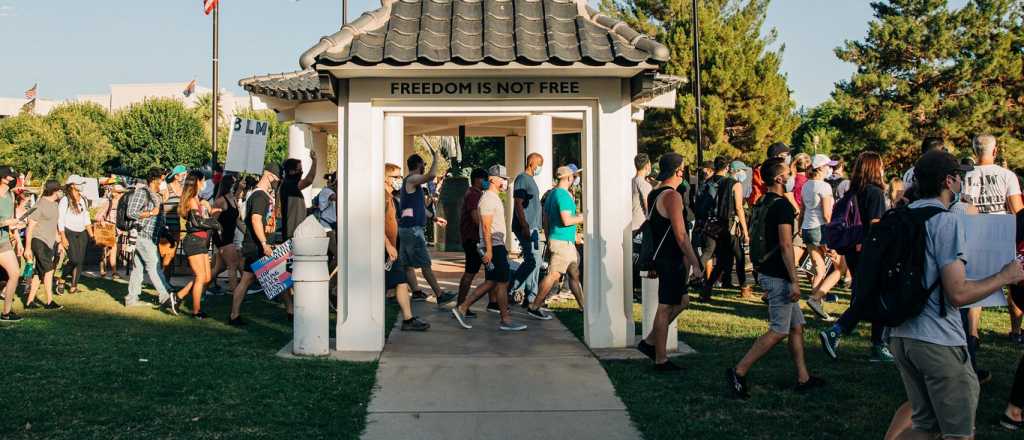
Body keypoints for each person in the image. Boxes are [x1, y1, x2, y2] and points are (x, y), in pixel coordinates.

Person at [885, 150, 1024, 440]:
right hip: (937, 338)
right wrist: (1004, 276)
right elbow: (958, 293)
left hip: (901, 333)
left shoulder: (901, 215)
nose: (962, 183)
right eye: (959, 177)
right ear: (948, 181)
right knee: (959, 434)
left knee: (925, 425)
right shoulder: (945, 221)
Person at [727, 158, 824, 397]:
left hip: (767, 270)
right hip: (779, 275)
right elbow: (786, 244)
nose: (791, 176)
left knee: (796, 327)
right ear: (780, 178)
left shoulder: (762, 201)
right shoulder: (782, 207)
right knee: (779, 330)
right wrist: (794, 280)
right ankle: (739, 371)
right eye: (788, 173)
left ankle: (803, 378)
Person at [818, 152, 895, 362]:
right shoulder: (875, 193)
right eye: (881, 165)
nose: (883, 169)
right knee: (874, 295)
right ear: (875, 168)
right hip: (870, 250)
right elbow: (875, 224)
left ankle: (876, 344)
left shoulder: (854, 190)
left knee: (867, 295)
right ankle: (839, 332)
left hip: (853, 249)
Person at [960, 134, 1022, 381]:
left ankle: (973, 334)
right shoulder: (1007, 175)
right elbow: (1017, 210)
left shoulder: (966, 176)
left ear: (975, 151)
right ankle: (1016, 330)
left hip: (974, 235)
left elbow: (963, 206)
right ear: (994, 151)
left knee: (976, 285)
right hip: (1002, 234)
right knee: (1013, 281)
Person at [635, 153, 704, 371]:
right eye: (684, 168)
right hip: (671, 258)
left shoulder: (654, 193)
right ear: (678, 171)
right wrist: (695, 263)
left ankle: (650, 342)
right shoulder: (672, 196)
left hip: (662, 256)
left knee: (682, 301)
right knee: (665, 307)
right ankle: (660, 358)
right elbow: (681, 235)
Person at [451, 165, 527, 332]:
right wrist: (490, 250)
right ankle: (505, 319)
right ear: (492, 179)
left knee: (492, 282)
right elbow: (485, 226)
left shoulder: (492, 197)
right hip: (494, 246)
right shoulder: (488, 199)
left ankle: (462, 308)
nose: (505, 182)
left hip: (495, 245)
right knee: (502, 282)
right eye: (503, 179)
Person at [527, 165, 586, 318]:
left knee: (574, 273)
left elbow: (545, 220)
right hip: (563, 242)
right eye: (574, 176)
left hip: (558, 240)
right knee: (554, 275)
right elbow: (567, 220)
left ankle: (584, 307)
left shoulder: (552, 194)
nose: (575, 179)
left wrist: (549, 239)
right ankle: (534, 306)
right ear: (568, 178)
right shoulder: (563, 195)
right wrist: (584, 217)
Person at [398, 150, 456, 305]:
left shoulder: (412, 184)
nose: (424, 166)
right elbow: (431, 175)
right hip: (412, 230)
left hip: (407, 229)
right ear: (418, 165)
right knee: (425, 264)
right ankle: (440, 295)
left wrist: (434, 218)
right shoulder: (412, 179)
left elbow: (420, 208)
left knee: (408, 264)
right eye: (423, 164)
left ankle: (417, 292)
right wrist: (435, 159)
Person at [229, 164, 281, 326]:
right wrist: (264, 244)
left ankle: (234, 315)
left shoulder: (263, 195)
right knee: (252, 279)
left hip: (258, 245)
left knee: (274, 278)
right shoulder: (259, 196)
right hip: (257, 246)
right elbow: (255, 219)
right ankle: (234, 315)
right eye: (276, 179)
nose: (276, 182)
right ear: (268, 175)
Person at [384, 163, 430, 331]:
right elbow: (376, 223)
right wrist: (388, 245)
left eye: (400, 176)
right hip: (385, 249)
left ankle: (408, 319)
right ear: (385, 178)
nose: (399, 179)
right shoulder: (382, 196)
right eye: (396, 177)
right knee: (398, 281)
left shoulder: (390, 196)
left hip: (391, 247)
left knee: (401, 281)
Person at [124, 168, 176, 312]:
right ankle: (166, 297)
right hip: (142, 236)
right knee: (154, 266)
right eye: (162, 179)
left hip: (150, 237)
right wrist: (150, 213)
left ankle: (131, 299)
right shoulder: (142, 192)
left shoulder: (156, 196)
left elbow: (158, 219)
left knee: (138, 268)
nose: (163, 183)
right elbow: (131, 212)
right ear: (154, 179)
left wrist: (166, 234)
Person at [699, 156, 748, 301]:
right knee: (739, 255)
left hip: (714, 224)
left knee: (721, 259)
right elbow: (738, 208)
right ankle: (744, 287)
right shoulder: (735, 184)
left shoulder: (713, 183)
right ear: (727, 168)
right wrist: (745, 231)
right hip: (729, 224)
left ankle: (707, 288)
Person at [175, 172, 221, 319]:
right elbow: (197, 222)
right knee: (201, 276)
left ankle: (178, 296)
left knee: (206, 277)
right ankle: (196, 311)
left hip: (200, 240)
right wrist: (214, 223)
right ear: (197, 182)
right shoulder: (192, 200)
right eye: (203, 180)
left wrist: (210, 211)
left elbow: (201, 219)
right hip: (193, 241)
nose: (205, 183)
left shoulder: (197, 199)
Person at [801, 154, 837, 320]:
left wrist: (800, 228)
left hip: (807, 228)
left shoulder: (806, 185)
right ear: (821, 168)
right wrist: (833, 233)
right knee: (837, 267)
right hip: (820, 229)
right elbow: (827, 214)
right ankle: (816, 299)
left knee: (819, 268)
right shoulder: (824, 187)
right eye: (828, 166)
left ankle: (816, 304)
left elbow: (803, 210)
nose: (831, 168)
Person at [510, 153, 545, 308]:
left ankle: (528, 294)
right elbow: (518, 203)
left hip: (533, 228)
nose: (540, 167)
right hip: (527, 228)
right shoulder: (522, 179)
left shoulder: (530, 180)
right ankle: (517, 290)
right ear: (532, 163)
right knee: (532, 261)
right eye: (540, 163)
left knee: (534, 261)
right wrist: (524, 225)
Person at [23, 180, 65, 310]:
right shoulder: (39, 205)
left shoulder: (55, 205)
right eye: (60, 190)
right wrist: (27, 248)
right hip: (38, 241)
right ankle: (49, 302)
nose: (62, 192)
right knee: (49, 270)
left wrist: (59, 242)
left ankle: (29, 302)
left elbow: (54, 225)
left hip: (49, 242)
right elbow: (30, 227)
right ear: (54, 191)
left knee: (39, 273)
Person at [456, 169, 492, 313]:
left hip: (475, 239)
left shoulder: (477, 194)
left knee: (491, 272)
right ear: (477, 179)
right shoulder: (473, 195)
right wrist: (488, 231)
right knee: (470, 272)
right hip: (473, 239)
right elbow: (476, 218)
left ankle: (494, 301)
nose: (487, 182)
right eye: (485, 179)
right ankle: (460, 305)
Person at [58, 176, 93, 294]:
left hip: (82, 232)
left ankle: (74, 286)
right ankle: (62, 279)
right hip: (69, 232)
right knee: (74, 259)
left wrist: (91, 235)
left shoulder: (83, 199)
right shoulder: (65, 200)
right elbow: (60, 219)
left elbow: (86, 218)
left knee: (80, 261)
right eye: (80, 183)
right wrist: (63, 237)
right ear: (72, 185)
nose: (82, 185)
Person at [0, 166, 25, 322]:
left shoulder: (10, 196)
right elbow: (6, 221)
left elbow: (11, 221)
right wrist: (5, 222)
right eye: (10, 176)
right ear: (2, 177)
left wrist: (19, 240)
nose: (12, 178)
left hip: (3, 242)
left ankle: (6, 313)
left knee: (15, 273)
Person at [210, 175, 241, 295]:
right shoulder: (220, 201)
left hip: (229, 238)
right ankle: (236, 294)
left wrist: (246, 232)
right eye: (235, 183)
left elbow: (237, 220)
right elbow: (212, 222)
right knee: (233, 265)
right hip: (223, 239)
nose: (237, 185)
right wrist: (211, 239)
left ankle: (200, 286)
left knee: (219, 268)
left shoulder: (233, 199)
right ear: (229, 185)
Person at [279, 151, 319, 240]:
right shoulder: (289, 185)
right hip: (292, 234)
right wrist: (314, 161)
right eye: (299, 170)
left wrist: (308, 210)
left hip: (296, 233)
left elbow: (295, 209)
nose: (301, 172)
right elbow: (309, 180)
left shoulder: (289, 187)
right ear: (291, 172)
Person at [160, 165, 187, 278]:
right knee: (165, 255)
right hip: (166, 227)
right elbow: (160, 206)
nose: (185, 177)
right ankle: (162, 279)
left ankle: (166, 281)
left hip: (177, 227)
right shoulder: (167, 188)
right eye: (183, 175)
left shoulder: (183, 190)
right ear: (176, 176)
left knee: (172, 255)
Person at [98, 185, 127, 279]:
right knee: (107, 250)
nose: (121, 194)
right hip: (108, 229)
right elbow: (98, 216)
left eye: (122, 192)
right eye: (119, 192)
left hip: (117, 230)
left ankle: (108, 270)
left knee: (112, 250)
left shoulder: (123, 204)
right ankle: (109, 271)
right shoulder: (109, 203)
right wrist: (102, 221)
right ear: (114, 193)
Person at [631, 153, 653, 232]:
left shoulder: (632, 181)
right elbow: (648, 207)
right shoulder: (644, 184)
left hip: (632, 225)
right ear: (647, 166)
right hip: (640, 227)